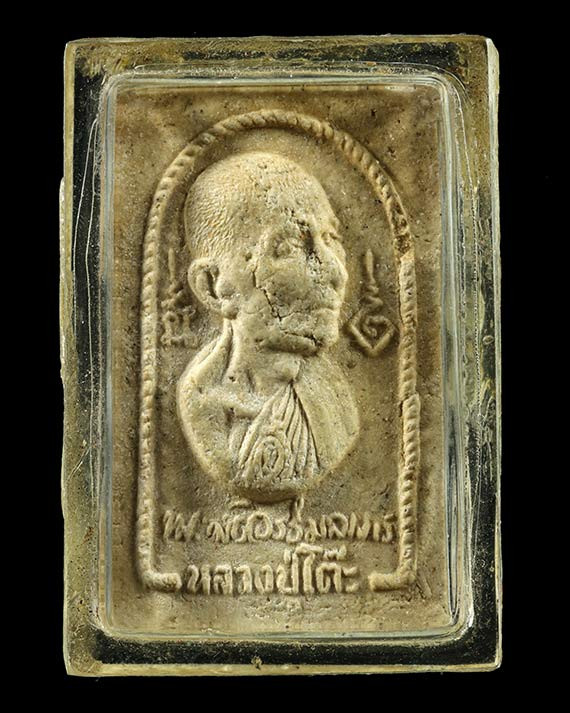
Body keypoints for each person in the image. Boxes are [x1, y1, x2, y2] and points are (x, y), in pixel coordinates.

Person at [177, 151, 359, 503]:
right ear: (213, 286)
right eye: (287, 247)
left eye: (331, 240)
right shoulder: (206, 404)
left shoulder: (335, 401)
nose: (335, 272)